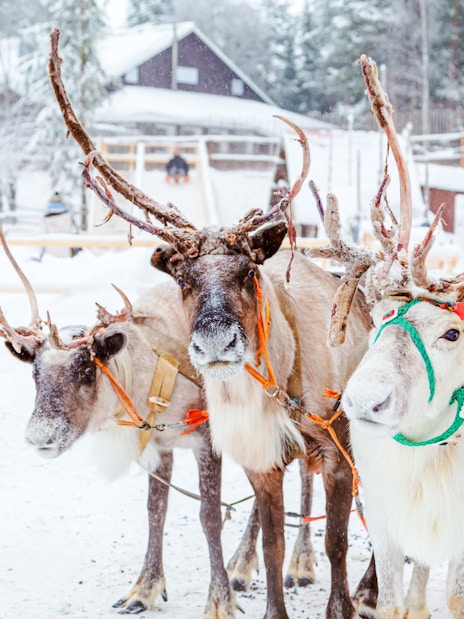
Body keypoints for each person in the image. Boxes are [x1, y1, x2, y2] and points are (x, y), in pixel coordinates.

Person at [38, 190, 79, 260]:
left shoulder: (45, 218)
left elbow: (42, 235)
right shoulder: (69, 216)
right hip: (66, 254)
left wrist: (41, 254)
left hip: (49, 255)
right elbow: (74, 233)